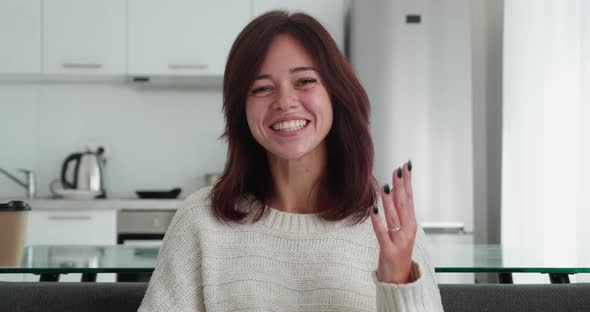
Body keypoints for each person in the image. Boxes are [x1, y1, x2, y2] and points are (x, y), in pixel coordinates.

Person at [139, 10, 444, 312]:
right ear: (241, 111)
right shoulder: (200, 221)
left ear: (335, 95)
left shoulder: (388, 224)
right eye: (262, 88)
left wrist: (398, 284)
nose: (284, 101)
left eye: (304, 81)